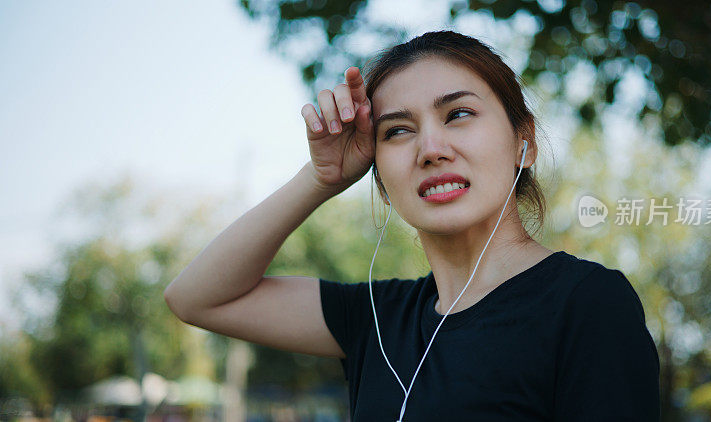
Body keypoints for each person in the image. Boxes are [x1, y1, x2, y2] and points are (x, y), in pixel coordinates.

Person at [164, 30, 661, 421]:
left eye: (458, 113)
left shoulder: (588, 303)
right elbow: (196, 297)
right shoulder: (376, 319)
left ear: (523, 144)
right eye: (398, 130)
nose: (431, 149)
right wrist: (319, 179)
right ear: (378, 173)